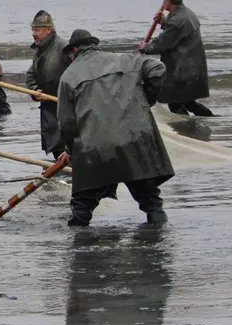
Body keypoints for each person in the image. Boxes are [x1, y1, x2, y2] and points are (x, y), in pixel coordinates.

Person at [59, 29, 173, 226]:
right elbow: (158, 69)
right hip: (134, 139)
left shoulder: (68, 77)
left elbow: (67, 123)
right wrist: (145, 100)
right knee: (151, 201)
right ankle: (159, 243)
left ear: (74, 50)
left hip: (95, 148)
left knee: (82, 206)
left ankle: (80, 248)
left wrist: (70, 149)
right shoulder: (126, 60)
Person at [139, 0, 213, 117]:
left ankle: (186, 130)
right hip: (192, 66)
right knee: (189, 102)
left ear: (169, 0)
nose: (163, 2)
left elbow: (163, 43)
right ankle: (209, 121)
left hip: (182, 69)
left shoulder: (178, 20)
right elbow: (177, 33)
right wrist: (164, 22)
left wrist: (145, 47)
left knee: (175, 104)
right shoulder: (186, 13)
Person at [24, 10, 70, 157]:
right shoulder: (40, 50)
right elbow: (30, 75)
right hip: (48, 109)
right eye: (32, 29)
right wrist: (34, 91)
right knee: (57, 150)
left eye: (37, 30)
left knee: (67, 148)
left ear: (48, 30)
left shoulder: (64, 48)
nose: (33, 33)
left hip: (65, 107)